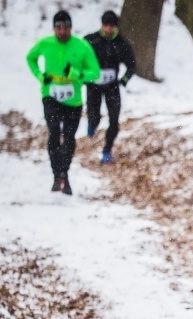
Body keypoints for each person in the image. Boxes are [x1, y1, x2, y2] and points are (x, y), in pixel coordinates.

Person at [26, 10, 100, 195]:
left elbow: (95, 72)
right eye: (58, 28)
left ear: (71, 28)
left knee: (68, 139)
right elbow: (31, 58)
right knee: (53, 134)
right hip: (50, 96)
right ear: (54, 28)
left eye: (65, 28)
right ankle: (55, 174)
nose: (62, 31)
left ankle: (64, 174)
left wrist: (76, 75)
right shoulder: (45, 44)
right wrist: (40, 76)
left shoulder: (81, 46)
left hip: (73, 100)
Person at [84, 10, 136, 165]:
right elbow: (79, 60)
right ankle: (92, 124)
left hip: (112, 86)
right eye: (106, 25)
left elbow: (131, 65)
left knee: (114, 119)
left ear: (116, 27)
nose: (108, 29)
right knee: (94, 115)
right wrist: (84, 77)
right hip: (93, 86)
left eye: (111, 26)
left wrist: (124, 80)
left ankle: (107, 150)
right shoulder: (90, 40)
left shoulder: (122, 43)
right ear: (102, 25)